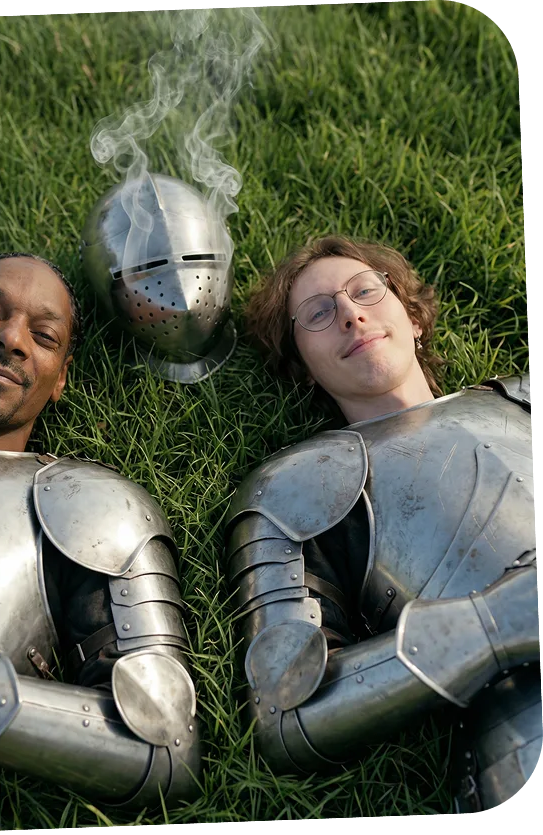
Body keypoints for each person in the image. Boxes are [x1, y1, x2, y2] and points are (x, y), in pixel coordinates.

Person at [0, 252, 200, 835]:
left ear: (61, 378)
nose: (10, 339)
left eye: (44, 336)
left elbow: (164, 741)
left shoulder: (92, 509)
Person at [223, 235, 537, 814]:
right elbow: (284, 711)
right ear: (303, 367)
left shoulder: (527, 397)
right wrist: (498, 623)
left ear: (413, 317)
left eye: (365, 290)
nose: (350, 313)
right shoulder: (297, 487)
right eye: (317, 313)